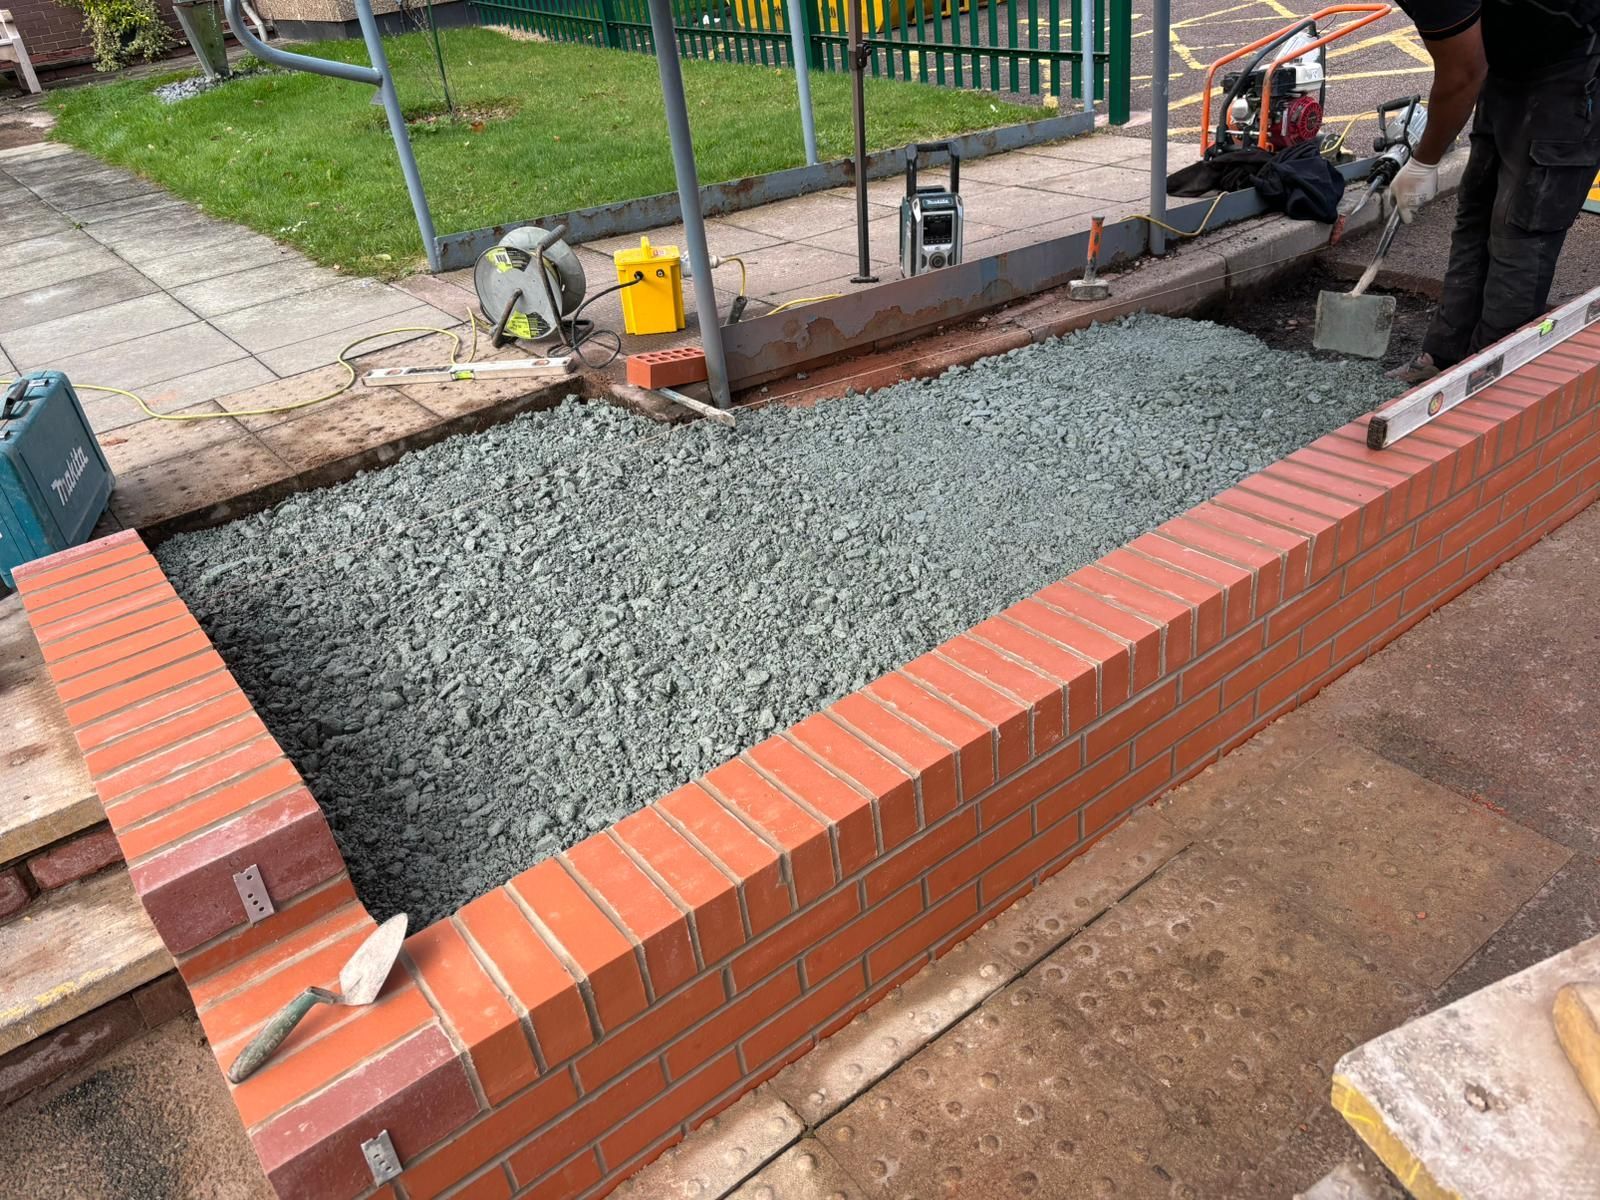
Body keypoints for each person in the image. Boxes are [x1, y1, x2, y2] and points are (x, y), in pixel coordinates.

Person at [1386, 0, 1600, 383]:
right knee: (1477, 210)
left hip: (1579, 60)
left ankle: (1488, 378)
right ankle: (1443, 355)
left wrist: (1423, 162)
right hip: (1511, 58)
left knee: (1520, 228)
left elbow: (1463, 74)